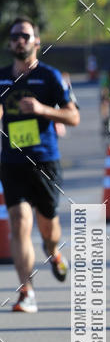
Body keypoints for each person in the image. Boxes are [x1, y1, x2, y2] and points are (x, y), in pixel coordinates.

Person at [0, 16, 80, 313]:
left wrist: (42, 109)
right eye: (14, 36)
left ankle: (54, 252)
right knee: (20, 223)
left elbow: (73, 116)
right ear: (10, 44)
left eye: (25, 35)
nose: (19, 40)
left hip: (44, 161)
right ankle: (27, 292)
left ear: (36, 41)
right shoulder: (2, 78)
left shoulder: (49, 77)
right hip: (11, 161)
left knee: (49, 229)